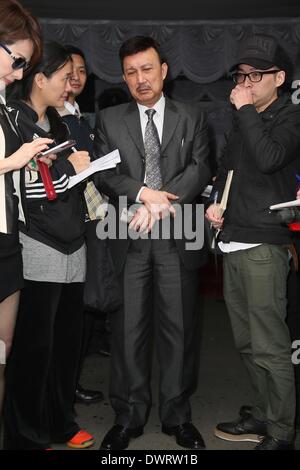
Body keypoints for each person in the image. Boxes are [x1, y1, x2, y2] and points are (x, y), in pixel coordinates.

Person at [94, 35, 211, 450]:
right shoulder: (108, 120)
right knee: (128, 333)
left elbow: (200, 168)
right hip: (128, 237)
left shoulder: (193, 115)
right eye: (131, 73)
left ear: (163, 71)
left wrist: (160, 204)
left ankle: (178, 417)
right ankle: (127, 417)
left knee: (179, 331)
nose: (140, 79)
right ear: (123, 78)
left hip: (179, 235)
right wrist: (144, 194)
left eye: (147, 69)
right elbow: (105, 174)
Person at [205, 34, 300, 450]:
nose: (244, 83)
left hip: (265, 244)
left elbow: (269, 158)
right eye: (241, 75)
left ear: (279, 78)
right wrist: (214, 204)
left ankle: (282, 431)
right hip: (233, 239)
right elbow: (226, 169)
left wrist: (244, 111)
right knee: (246, 343)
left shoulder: (290, 116)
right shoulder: (246, 119)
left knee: (271, 345)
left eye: (255, 75)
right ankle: (264, 414)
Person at [4, 41, 94, 450]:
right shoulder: (13, 124)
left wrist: (81, 170)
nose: (70, 85)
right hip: (36, 244)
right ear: (39, 80)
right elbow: (23, 190)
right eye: (63, 78)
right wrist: (64, 174)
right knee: (32, 347)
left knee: (66, 343)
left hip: (74, 242)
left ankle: (60, 421)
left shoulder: (61, 124)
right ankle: (27, 433)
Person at [0, 0, 53, 429]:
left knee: (3, 350)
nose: (19, 75)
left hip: (7, 241)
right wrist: (10, 162)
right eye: (16, 61)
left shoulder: (4, 104)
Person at [57, 44, 104, 405]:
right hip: (62, 227)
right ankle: (60, 389)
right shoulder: (50, 120)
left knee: (80, 312)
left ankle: (69, 383)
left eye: (82, 71)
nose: (76, 78)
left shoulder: (79, 116)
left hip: (87, 220)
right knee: (63, 316)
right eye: (68, 70)